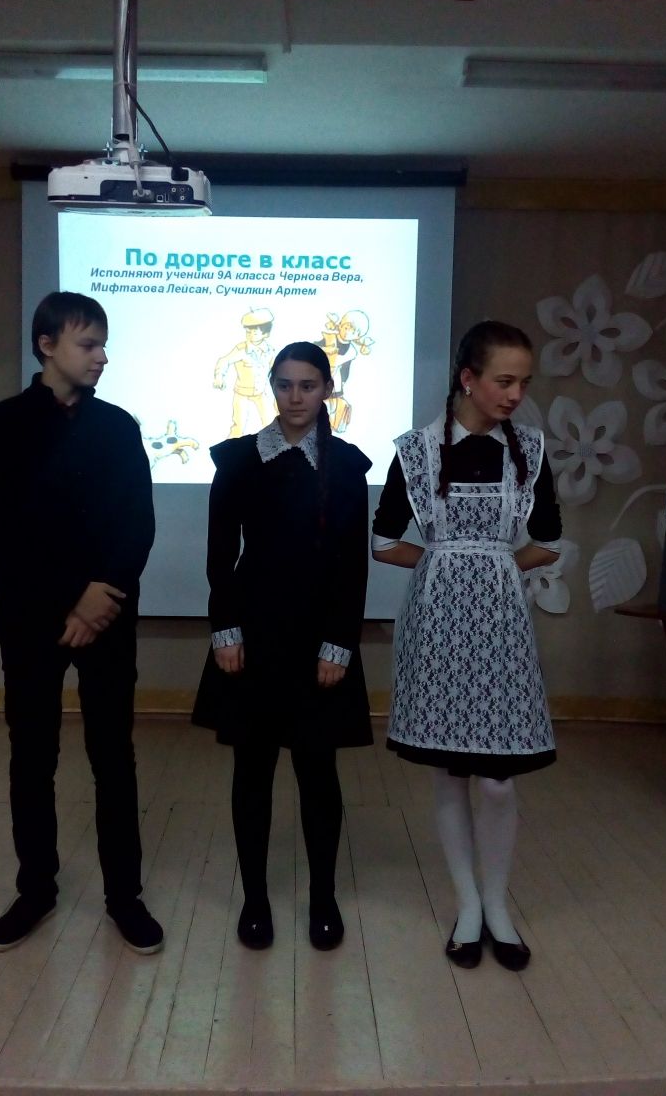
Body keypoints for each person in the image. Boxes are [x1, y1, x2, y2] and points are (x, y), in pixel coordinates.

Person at [0, 291, 162, 954]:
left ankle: (125, 896)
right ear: (46, 345)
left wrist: (102, 596)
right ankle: (35, 890)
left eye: (104, 344)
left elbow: (137, 522)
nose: (101, 356)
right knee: (32, 754)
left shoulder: (118, 427)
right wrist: (72, 601)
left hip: (109, 616)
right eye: (88, 344)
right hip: (30, 617)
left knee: (114, 755)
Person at [372, 321, 561, 972]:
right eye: (504, 381)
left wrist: (496, 563)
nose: (515, 395)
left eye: (523, 383)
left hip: (502, 624)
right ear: (468, 378)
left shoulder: (529, 449)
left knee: (499, 781)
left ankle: (499, 903)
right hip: (438, 621)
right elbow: (383, 540)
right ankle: (470, 905)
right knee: (451, 772)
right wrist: (443, 562)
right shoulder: (417, 450)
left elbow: (549, 540)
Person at [193, 341, 372, 951]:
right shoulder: (238, 460)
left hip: (319, 640)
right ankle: (255, 901)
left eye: (308, 385)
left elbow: (352, 568)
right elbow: (220, 556)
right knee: (252, 770)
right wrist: (225, 631)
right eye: (285, 384)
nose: (295, 397)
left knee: (318, 771)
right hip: (253, 637)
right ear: (272, 386)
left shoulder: (346, 466)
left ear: (326, 390)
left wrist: (339, 644)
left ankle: (323, 898)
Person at [212, 308, 276, 438]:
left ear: (265, 334)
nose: (251, 335)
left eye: (255, 332)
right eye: (248, 332)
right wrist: (219, 377)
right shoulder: (241, 350)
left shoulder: (270, 351)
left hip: (260, 393)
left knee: (271, 422)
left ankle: (277, 447)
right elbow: (224, 361)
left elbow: (276, 369)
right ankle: (230, 447)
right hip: (241, 394)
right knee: (238, 425)